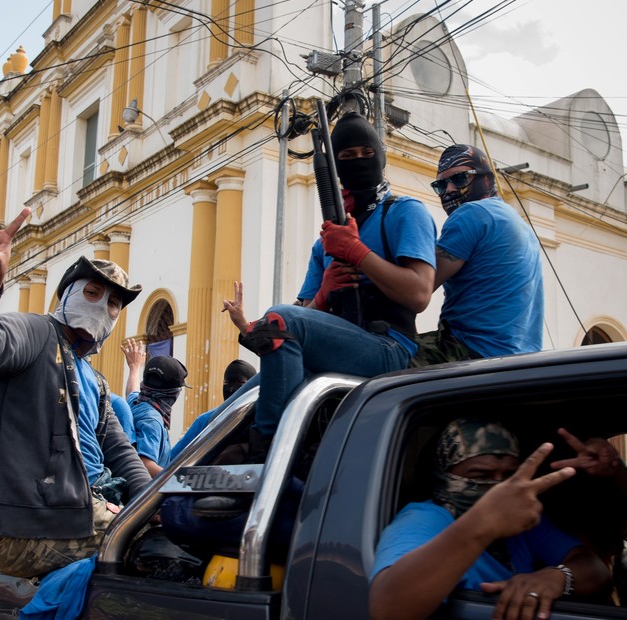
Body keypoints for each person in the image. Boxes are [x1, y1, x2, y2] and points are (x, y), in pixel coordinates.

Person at [0, 193, 151, 579]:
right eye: (92, 293)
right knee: (159, 550)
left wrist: (152, 502)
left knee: (170, 529)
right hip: (22, 525)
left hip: (79, 508)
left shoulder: (96, 382)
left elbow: (120, 451)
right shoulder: (35, 333)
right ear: (67, 294)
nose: (103, 307)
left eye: (115, 303)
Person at [226, 111, 437, 459]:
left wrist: (356, 251)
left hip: (388, 348)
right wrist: (325, 292)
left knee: (280, 318)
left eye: (366, 154)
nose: (358, 162)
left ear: (380, 156)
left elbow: (418, 294)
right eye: (347, 157)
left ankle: (268, 451)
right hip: (334, 348)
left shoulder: (403, 212)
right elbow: (304, 314)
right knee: (220, 414)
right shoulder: (326, 240)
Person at [370, 418, 610, 620]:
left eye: (508, 475)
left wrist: (556, 577)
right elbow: (388, 609)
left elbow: (596, 570)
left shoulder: (520, 522)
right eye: (481, 475)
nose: (498, 487)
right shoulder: (425, 519)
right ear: (444, 475)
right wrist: (482, 525)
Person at [413, 144, 544, 366]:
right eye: (441, 185)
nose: (450, 190)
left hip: (471, 351)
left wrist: (361, 257)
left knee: (382, 358)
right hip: (522, 360)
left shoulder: (471, 213)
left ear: (485, 178)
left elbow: (417, 288)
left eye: (460, 179)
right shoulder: (516, 221)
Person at [170, 358, 257, 462]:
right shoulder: (205, 420)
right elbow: (173, 459)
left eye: (240, 383)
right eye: (227, 382)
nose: (231, 389)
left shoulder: (260, 421)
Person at [126, 355, 190, 476]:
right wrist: (180, 480)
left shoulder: (137, 402)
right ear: (172, 393)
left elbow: (131, 390)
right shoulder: (152, 421)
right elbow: (145, 465)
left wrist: (134, 367)